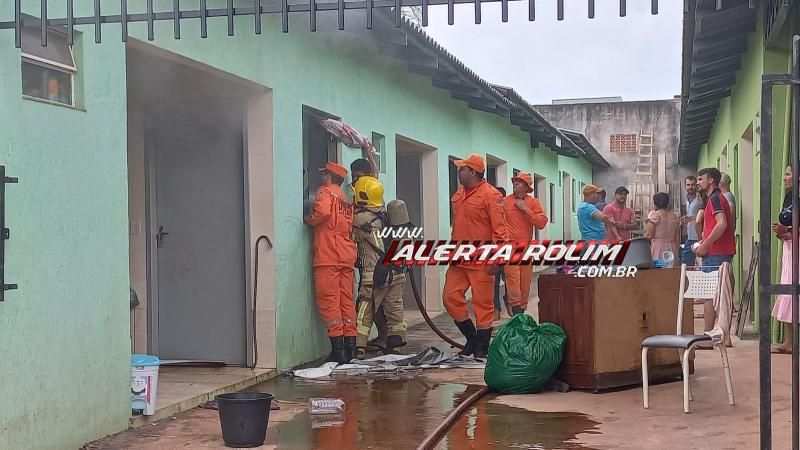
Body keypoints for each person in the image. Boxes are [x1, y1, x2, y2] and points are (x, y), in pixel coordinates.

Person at [445, 154, 512, 359]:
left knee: (482, 305)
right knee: (450, 298)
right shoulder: (459, 194)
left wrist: (498, 259)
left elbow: (500, 231)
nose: (458, 172)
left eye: (462, 169)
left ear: (473, 172)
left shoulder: (491, 195)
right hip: (459, 258)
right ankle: (472, 339)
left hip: (483, 260)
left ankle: (482, 347)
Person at [304, 162, 358, 363]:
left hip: (328, 254)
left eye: (323, 174)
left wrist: (309, 219)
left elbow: (323, 213)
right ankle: (351, 349)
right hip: (346, 254)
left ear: (328, 176)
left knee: (329, 301)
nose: (321, 177)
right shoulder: (345, 199)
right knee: (346, 301)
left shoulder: (325, 191)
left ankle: (338, 351)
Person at [351, 176, 407, 359]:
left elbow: (350, 236)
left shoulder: (359, 219)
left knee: (365, 309)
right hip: (396, 272)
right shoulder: (388, 216)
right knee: (395, 310)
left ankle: (358, 347)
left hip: (374, 275)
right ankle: (396, 345)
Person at [694, 167, 736, 333]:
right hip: (722, 251)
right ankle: (724, 335)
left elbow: (722, 224)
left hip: (715, 253)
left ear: (711, 180)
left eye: (700, 179)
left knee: (709, 295)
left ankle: (707, 335)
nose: (698, 182)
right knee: (724, 294)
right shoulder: (718, 198)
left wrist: (705, 244)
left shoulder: (715, 199)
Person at [504, 172, 548, 315]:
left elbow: (541, 223)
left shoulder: (533, 202)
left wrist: (526, 209)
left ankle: (520, 311)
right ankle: (515, 307)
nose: (515, 183)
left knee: (525, 281)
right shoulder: (505, 201)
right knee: (512, 278)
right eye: (514, 181)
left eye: (519, 182)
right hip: (509, 247)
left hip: (526, 248)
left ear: (527, 187)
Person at [772, 166, 796, 354]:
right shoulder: (789, 197)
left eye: (788, 174)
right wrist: (781, 232)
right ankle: (789, 341)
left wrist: (788, 230)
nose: (784, 178)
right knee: (788, 290)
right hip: (790, 247)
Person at [644, 192, 680, 261]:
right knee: (671, 266)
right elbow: (677, 238)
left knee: (659, 266)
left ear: (655, 204)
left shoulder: (654, 215)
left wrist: (647, 224)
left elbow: (649, 235)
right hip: (672, 247)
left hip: (658, 247)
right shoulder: (674, 216)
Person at [493, 186, 509, 321]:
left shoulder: (509, 211)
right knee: (494, 280)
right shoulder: (491, 212)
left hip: (509, 249)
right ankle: (496, 309)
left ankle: (509, 300)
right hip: (495, 250)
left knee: (509, 277)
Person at [681, 176, 702, 266]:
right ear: (685, 186)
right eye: (688, 185)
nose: (690, 187)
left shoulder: (700, 198)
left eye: (693, 185)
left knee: (689, 263)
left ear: (696, 185)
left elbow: (705, 214)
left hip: (698, 236)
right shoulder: (687, 199)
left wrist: (693, 218)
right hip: (690, 235)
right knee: (687, 263)